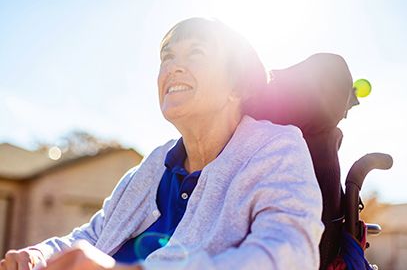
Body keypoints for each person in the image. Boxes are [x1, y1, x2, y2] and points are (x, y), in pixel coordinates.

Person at [0, 17, 324, 270]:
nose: (173, 67)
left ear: (237, 86)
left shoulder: (274, 149)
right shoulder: (155, 163)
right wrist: (38, 255)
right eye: (167, 57)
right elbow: (94, 234)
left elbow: (289, 255)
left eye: (195, 53)